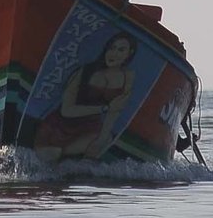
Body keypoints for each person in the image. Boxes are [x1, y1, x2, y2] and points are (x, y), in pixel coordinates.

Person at [34, 32, 137, 162]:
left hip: (90, 129)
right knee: (51, 154)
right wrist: (104, 109)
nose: (113, 53)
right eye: (111, 48)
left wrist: (100, 141)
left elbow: (113, 114)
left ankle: (80, 168)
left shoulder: (127, 77)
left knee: (104, 140)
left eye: (121, 50)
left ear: (130, 53)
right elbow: (66, 110)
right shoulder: (86, 72)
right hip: (60, 126)